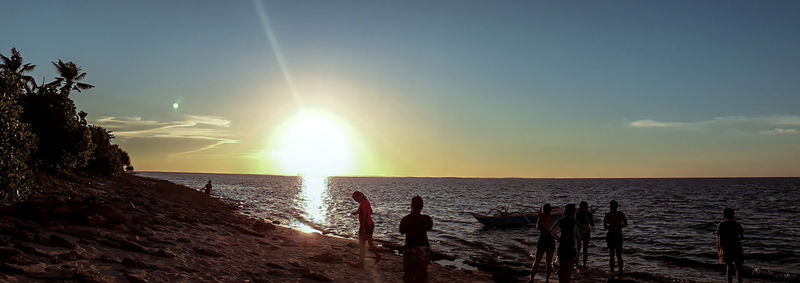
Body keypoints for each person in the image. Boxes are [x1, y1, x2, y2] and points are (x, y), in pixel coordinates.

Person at [399, 195, 433, 283]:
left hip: (409, 247)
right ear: (422, 206)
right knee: (422, 275)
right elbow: (429, 228)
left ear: (411, 205)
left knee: (408, 274)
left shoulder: (405, 219)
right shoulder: (427, 218)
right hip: (423, 248)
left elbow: (401, 231)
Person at [551, 204, 581, 283]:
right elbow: (580, 236)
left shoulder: (561, 220)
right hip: (571, 248)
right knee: (568, 271)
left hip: (562, 247)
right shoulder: (575, 222)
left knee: (562, 269)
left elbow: (552, 231)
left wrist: (559, 239)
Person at [352, 191, 381, 266]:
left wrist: (363, 227)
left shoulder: (363, 204)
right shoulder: (366, 201)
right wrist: (357, 213)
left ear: (359, 197)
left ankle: (361, 262)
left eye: (356, 199)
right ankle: (377, 256)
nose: (356, 201)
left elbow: (365, 216)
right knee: (370, 243)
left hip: (366, 225)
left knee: (362, 243)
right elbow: (370, 212)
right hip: (370, 224)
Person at [530, 203, 556, 283]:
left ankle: (531, 280)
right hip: (551, 241)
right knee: (548, 263)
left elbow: (537, 228)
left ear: (543, 210)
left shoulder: (541, 218)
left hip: (543, 241)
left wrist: (540, 218)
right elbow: (554, 232)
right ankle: (547, 280)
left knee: (537, 261)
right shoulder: (553, 219)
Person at [717, 208, 744, 283]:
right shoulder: (737, 223)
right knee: (738, 266)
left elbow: (720, 240)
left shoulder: (721, 224)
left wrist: (719, 250)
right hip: (737, 247)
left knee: (729, 266)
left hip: (727, 247)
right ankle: (740, 281)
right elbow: (742, 237)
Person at [603, 200, 628, 277]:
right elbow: (626, 224)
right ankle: (620, 271)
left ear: (610, 206)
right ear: (617, 206)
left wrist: (609, 226)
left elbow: (605, 227)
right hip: (618, 236)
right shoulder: (621, 214)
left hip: (611, 236)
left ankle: (612, 272)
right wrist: (620, 226)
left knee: (611, 255)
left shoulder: (607, 215)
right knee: (619, 255)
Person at [575, 201, 595, 268]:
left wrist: (589, 221)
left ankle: (582, 264)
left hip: (583, 233)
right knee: (581, 248)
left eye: (581, 206)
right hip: (581, 233)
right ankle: (578, 263)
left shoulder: (580, 213)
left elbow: (592, 224)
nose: (580, 208)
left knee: (582, 248)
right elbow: (592, 225)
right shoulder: (581, 213)